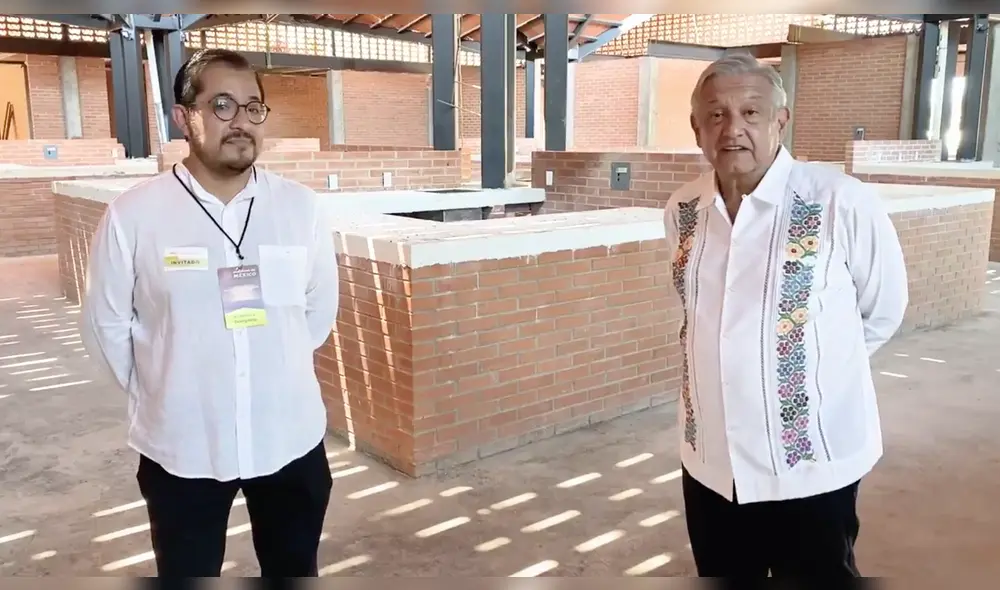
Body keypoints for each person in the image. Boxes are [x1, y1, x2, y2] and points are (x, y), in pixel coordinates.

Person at [80, 48, 339, 578]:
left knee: (294, 569)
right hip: (183, 446)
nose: (241, 121)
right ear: (184, 117)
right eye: (222, 105)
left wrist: (276, 365)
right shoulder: (135, 215)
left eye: (252, 107)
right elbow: (106, 325)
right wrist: (164, 386)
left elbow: (316, 313)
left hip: (288, 436)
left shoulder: (301, 208)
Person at [664, 53, 908, 579]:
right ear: (696, 128)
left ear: (781, 120)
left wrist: (797, 367)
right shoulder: (683, 210)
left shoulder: (838, 200)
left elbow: (883, 310)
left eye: (751, 113)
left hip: (810, 464)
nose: (733, 129)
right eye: (717, 115)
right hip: (711, 462)